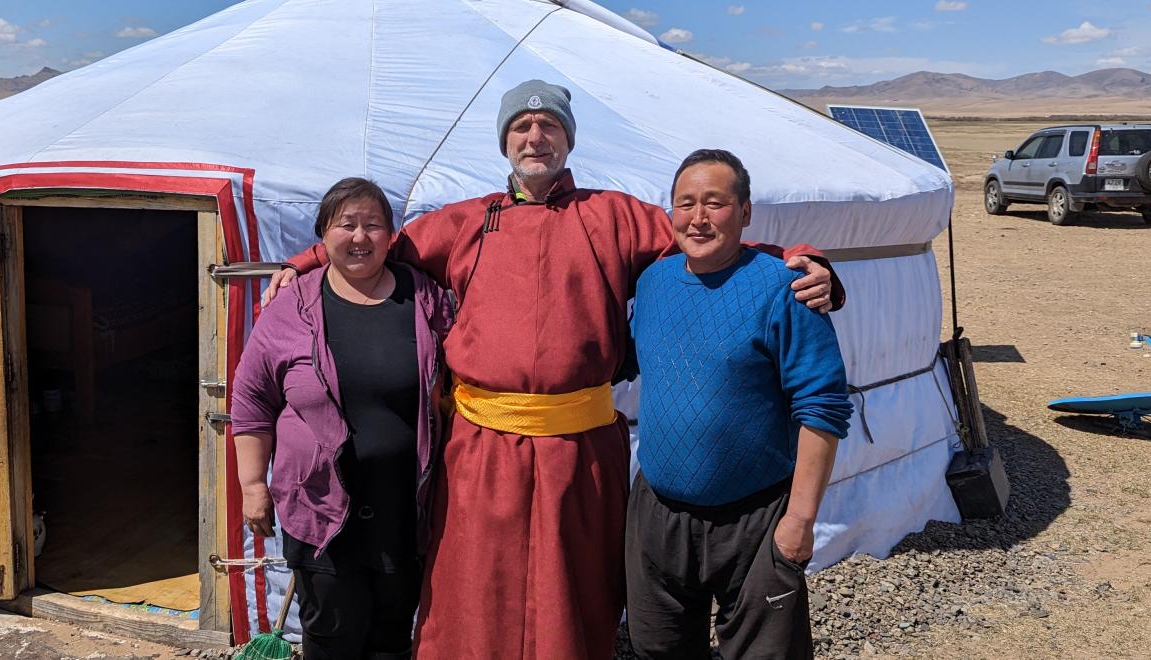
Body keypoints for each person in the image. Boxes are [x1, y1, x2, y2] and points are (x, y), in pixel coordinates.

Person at [264, 81, 843, 659]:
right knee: (474, 593)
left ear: (568, 139)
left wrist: (806, 263)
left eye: (549, 127)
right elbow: (376, 244)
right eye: (522, 127)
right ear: (503, 142)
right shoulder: (465, 222)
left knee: (572, 596)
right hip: (482, 447)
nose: (535, 137)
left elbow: (708, 240)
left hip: (581, 450)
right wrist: (304, 260)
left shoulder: (614, 215)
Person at [624, 149, 852, 659]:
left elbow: (824, 406)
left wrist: (799, 521)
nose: (698, 218)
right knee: (657, 649)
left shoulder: (785, 288)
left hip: (756, 517)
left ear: (745, 213)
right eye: (685, 204)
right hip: (658, 514)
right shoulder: (653, 282)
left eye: (715, 203)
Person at [230, 177, 452, 659]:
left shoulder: (426, 299)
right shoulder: (292, 306)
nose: (359, 237)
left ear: (392, 236)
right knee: (331, 636)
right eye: (345, 224)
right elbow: (252, 398)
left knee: (391, 637)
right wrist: (252, 486)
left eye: (373, 225)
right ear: (322, 236)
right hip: (319, 511)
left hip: (404, 508)